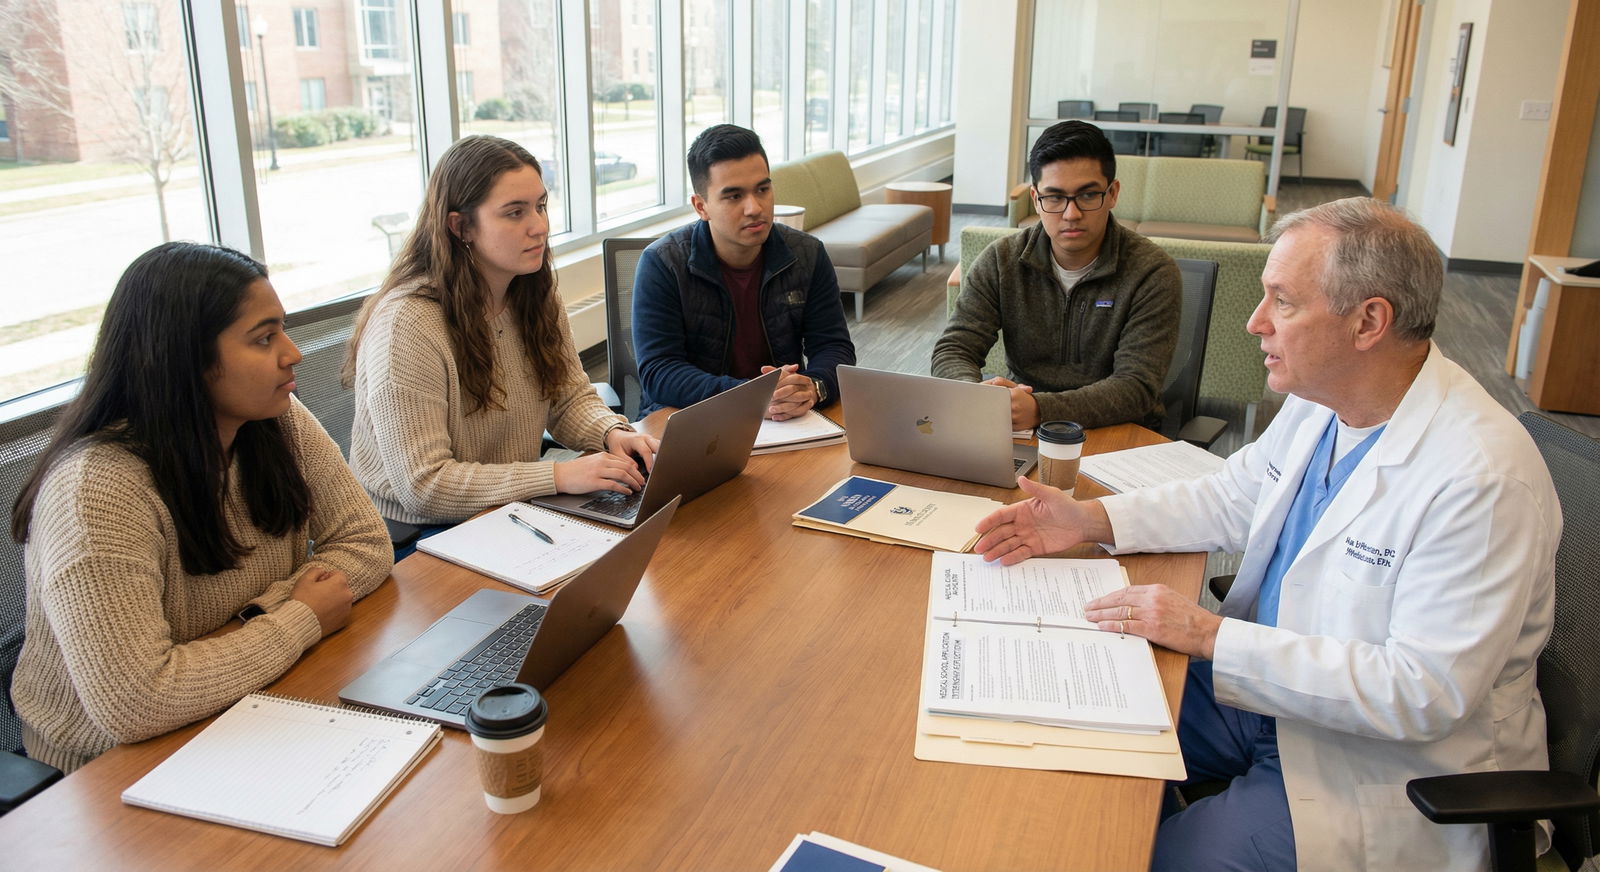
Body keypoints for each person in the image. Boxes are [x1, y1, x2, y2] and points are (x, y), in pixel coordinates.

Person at [973, 198, 1559, 871]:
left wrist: (1211, 635)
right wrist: (1091, 521)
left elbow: (1423, 692)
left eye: (1282, 302)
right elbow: (1234, 494)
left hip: (1382, 765)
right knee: (1071, 726)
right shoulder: (1325, 398)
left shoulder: (1480, 478)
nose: (1255, 324)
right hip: (1265, 700)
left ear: (1368, 321)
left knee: (1150, 857)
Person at [8, 243, 392, 773]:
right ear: (185, 360)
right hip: (109, 769)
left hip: (248, 700)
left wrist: (257, 619)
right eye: (263, 338)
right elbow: (138, 701)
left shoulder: (275, 417)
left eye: (281, 329)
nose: (291, 353)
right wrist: (299, 614)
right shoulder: (95, 491)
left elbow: (366, 543)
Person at [345, 135, 658, 546]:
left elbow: (567, 398)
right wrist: (558, 475)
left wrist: (612, 434)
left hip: (506, 513)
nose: (540, 226)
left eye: (541, 206)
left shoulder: (531, 292)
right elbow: (424, 486)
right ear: (461, 226)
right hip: (417, 539)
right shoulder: (407, 324)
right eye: (515, 213)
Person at [933, 120, 1180, 432]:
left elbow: (1136, 387)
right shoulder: (1001, 261)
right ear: (1036, 199)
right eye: (1054, 197)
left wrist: (1040, 408)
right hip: (1024, 428)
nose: (1071, 214)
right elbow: (954, 348)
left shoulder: (1152, 272)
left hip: (1118, 431)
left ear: (1112, 193)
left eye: (1088, 195)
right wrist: (972, 394)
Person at [632, 123, 856, 419]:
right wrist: (749, 394)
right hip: (694, 419)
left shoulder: (807, 253)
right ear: (701, 206)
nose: (755, 207)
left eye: (763, 189)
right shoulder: (663, 263)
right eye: (734, 196)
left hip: (783, 419)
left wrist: (812, 386)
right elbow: (660, 372)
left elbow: (834, 346)